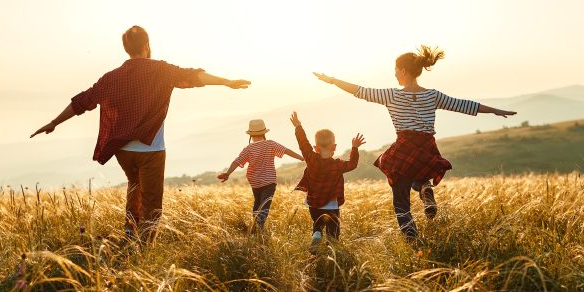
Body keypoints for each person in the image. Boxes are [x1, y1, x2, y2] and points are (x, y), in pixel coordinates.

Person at [30, 25, 251, 243]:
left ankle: (129, 233)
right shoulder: (161, 70)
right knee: (152, 201)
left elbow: (83, 102)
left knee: (134, 186)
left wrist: (54, 122)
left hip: (123, 151)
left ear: (127, 48)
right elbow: (193, 76)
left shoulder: (111, 78)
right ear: (147, 45)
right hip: (151, 150)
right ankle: (144, 246)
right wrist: (227, 82)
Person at [312, 45, 516, 241]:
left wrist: (332, 80)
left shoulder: (392, 95)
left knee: (400, 201)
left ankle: (413, 240)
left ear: (402, 70)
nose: (394, 74)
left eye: (395, 70)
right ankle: (425, 188)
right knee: (419, 174)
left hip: (404, 148)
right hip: (427, 148)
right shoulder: (432, 95)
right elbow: (464, 105)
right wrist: (496, 110)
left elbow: (359, 91)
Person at [289, 111, 364, 252]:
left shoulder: (311, 159)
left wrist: (298, 126)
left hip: (313, 203)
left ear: (315, 148)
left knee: (317, 224)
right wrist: (354, 148)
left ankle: (317, 233)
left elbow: (303, 143)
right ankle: (331, 250)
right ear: (334, 147)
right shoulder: (338, 165)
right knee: (333, 230)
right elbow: (353, 164)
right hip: (331, 204)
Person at [217, 119, 304, 232]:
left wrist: (228, 173)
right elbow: (286, 151)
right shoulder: (270, 144)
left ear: (250, 135)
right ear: (264, 133)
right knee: (265, 205)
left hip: (255, 182)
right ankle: (258, 228)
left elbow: (237, 161)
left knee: (257, 203)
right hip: (269, 181)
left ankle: (255, 227)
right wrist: (302, 157)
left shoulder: (248, 149)